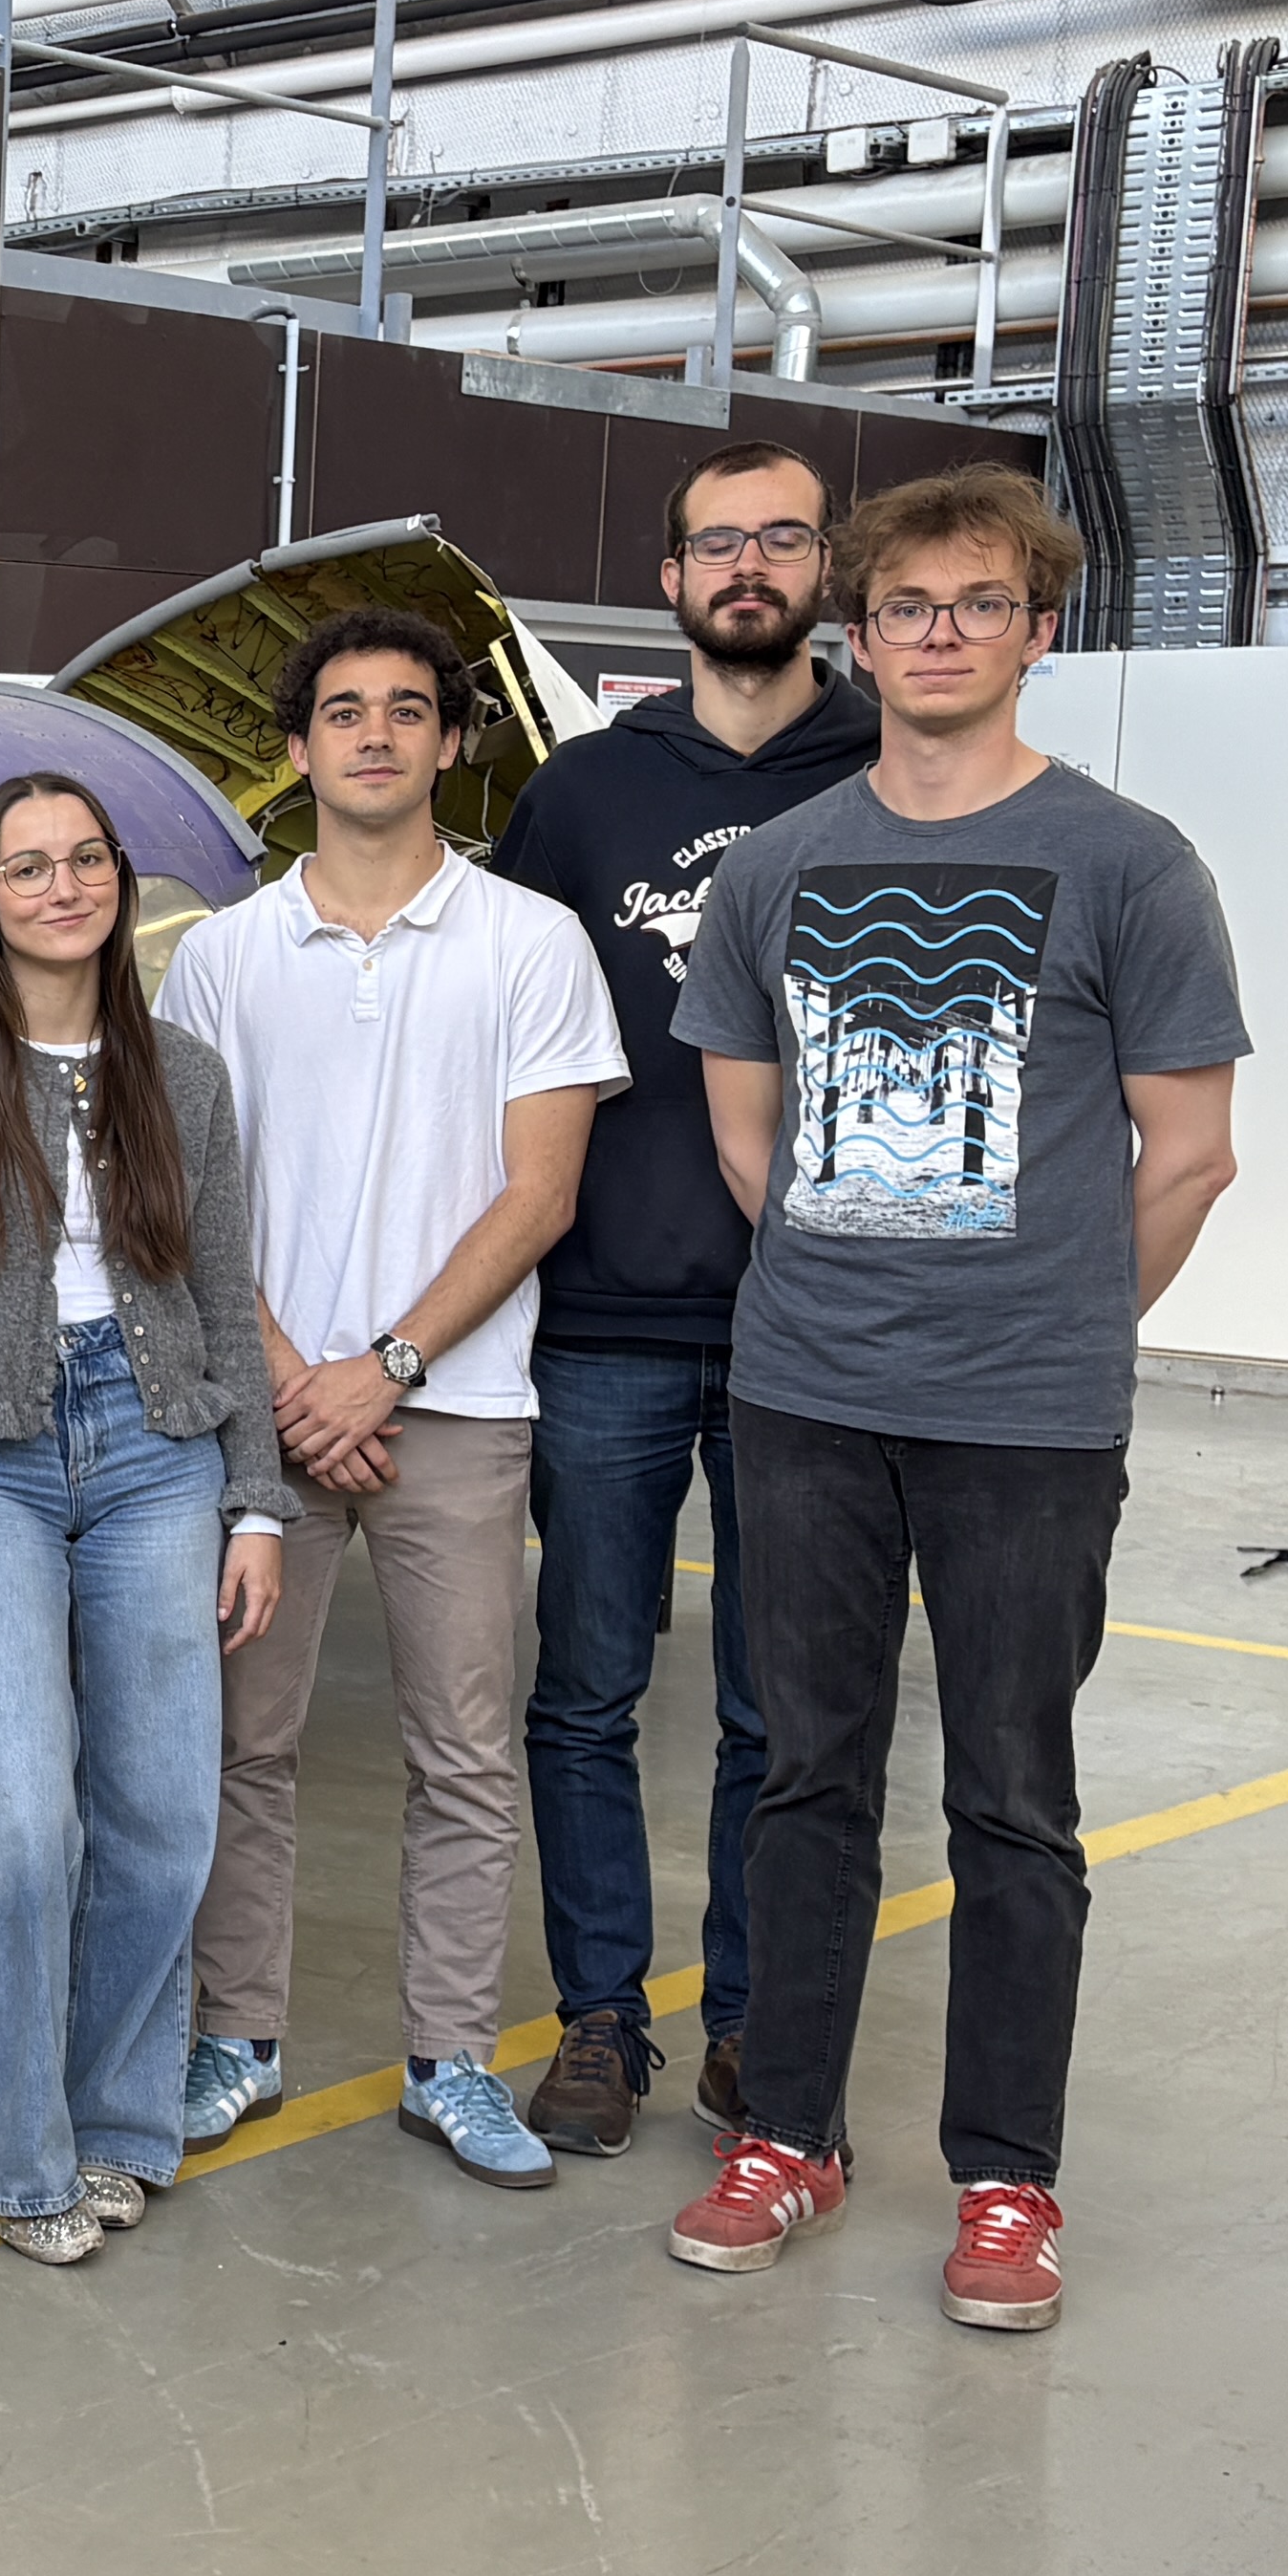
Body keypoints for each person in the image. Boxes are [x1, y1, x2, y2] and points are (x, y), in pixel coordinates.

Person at [662, 466, 1243, 2334]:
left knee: (1013, 1801)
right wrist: (857, 1286)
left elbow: (1192, 1150)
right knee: (808, 1778)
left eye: (977, 604)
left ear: (1036, 632)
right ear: (859, 630)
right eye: (905, 606)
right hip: (808, 1397)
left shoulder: (1130, 863)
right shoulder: (782, 865)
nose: (937, 634)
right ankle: (796, 2138)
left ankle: (1007, 2180)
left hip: (1028, 1422)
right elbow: (746, 1128)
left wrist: (1053, 1322)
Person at [156, 606, 630, 2189]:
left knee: (466, 1755)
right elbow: (191, 1202)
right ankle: (239, 2038)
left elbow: (540, 1191)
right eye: (343, 711)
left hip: (462, 1413)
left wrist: (389, 1370)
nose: (375, 734)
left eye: (407, 710)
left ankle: (450, 2062)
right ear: (296, 753)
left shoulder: (530, 943)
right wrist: (296, 1381)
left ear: (450, 742)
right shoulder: (220, 961)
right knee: (243, 1744)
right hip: (266, 1419)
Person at [487, 442, 884, 2153]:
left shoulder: (895, 767)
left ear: (824, 569)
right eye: (717, 542)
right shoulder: (581, 796)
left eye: (781, 538)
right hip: (602, 1326)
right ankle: (597, 2021)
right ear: (669, 580)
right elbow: (497, 1041)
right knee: (583, 1693)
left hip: (817, 1329)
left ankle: (743, 2028)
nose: (748, 566)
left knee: (773, 1711)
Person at [0, 771, 290, 2264]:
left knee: (165, 1817)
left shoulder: (189, 1076)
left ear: (118, 881)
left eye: (85, 859)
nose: (63, 887)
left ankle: (118, 2123)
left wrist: (255, 1499)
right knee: (23, 1818)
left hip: (162, 1447)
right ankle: (20, 2153)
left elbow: (224, 1294)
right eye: (28, 867)